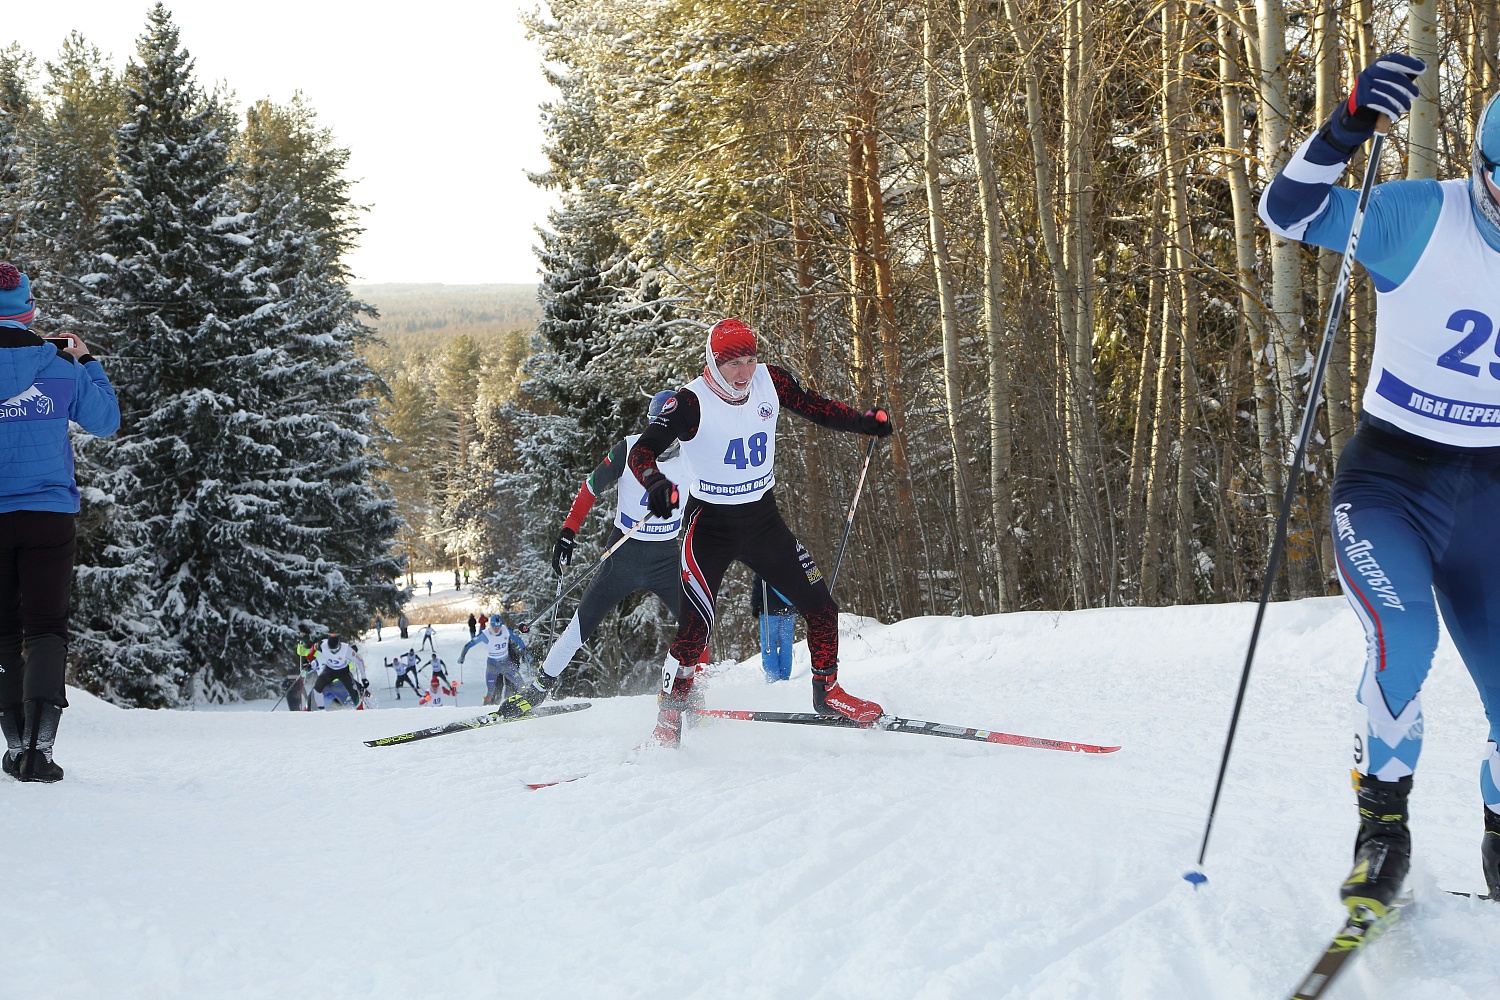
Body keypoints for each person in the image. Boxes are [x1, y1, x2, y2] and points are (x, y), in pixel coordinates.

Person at [1260, 51, 1500, 910]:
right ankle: (1382, 831)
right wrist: (1348, 123)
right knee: (1406, 641)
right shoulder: (1418, 216)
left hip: (1491, 500)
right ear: (1483, 171)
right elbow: (1283, 211)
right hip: (1392, 482)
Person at [626, 318, 893, 747]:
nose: (743, 372)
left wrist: (863, 423)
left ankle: (828, 694)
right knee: (696, 629)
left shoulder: (771, 381)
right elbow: (643, 450)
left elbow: (815, 407)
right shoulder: (691, 402)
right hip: (709, 526)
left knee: (823, 608)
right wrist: (655, 483)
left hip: (762, 521)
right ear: (713, 363)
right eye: (732, 364)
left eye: (749, 360)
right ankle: (670, 714)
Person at [493, 391, 709, 720]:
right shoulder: (630, 448)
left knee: (697, 626)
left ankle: (694, 694)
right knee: (581, 625)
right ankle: (537, 690)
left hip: (666, 558)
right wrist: (568, 533)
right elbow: (591, 486)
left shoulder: (694, 457)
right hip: (623, 553)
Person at [0, 265, 120, 783]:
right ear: (29, 312)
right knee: (46, 628)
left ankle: (14, 744)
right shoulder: (60, 368)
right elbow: (106, 421)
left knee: (3, 633)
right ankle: (39, 752)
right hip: (48, 515)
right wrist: (86, 361)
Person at [460, 615, 527, 704]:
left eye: (498, 627)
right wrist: (462, 656)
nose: (496, 630)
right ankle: (488, 707)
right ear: (491, 625)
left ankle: (522, 702)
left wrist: (525, 652)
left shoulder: (506, 630)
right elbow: (469, 644)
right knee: (492, 690)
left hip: (507, 663)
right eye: (494, 627)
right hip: (493, 665)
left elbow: (519, 637)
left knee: (518, 684)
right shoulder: (486, 634)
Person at [751, 573, 796, 683]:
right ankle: (785, 676)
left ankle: (773, 677)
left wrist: (755, 606)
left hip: (769, 611)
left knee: (769, 643)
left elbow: (758, 586)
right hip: (789, 611)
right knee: (786, 643)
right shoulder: (790, 565)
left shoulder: (764, 565)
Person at [310, 632, 366, 710]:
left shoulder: (346, 649)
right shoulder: (323, 645)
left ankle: (361, 711)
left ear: (339, 645)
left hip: (343, 672)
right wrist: (308, 658)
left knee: (354, 693)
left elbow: (359, 661)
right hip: (329, 670)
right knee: (317, 688)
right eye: (331, 650)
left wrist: (364, 678)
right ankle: (321, 711)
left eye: (336, 649)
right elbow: (314, 647)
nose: (334, 652)